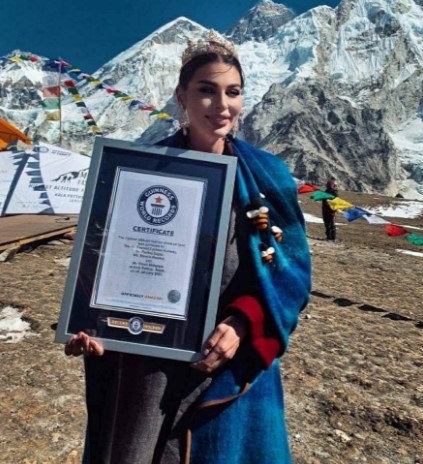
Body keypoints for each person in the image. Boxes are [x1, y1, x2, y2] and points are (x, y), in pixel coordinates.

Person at [65, 30, 311, 464]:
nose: (222, 106)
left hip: (227, 357)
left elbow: (291, 271)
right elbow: (107, 260)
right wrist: (94, 323)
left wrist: (243, 321)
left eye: (232, 92)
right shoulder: (141, 171)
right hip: (149, 361)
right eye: (206, 91)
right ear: (180, 96)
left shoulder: (267, 174)